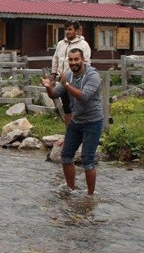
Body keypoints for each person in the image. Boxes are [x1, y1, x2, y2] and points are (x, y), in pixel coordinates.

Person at [41, 47, 103, 196]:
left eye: (76, 59)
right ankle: (71, 189)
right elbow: (56, 94)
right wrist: (49, 88)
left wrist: (67, 84)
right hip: (76, 121)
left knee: (87, 160)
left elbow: (84, 96)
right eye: (71, 60)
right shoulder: (68, 75)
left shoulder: (93, 75)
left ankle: (90, 195)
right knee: (66, 156)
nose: (73, 62)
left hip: (92, 121)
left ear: (83, 60)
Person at [50, 21, 92, 125]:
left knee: (77, 106)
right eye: (66, 29)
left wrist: (84, 78)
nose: (67, 32)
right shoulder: (61, 44)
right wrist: (53, 76)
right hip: (62, 80)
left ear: (76, 31)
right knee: (67, 107)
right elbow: (55, 59)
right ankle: (69, 133)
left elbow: (87, 63)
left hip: (76, 80)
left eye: (70, 29)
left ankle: (80, 130)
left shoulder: (83, 44)